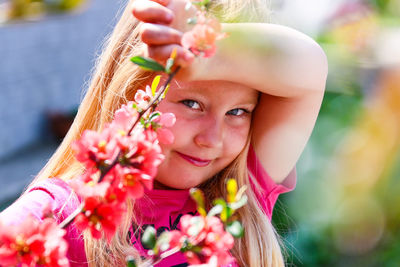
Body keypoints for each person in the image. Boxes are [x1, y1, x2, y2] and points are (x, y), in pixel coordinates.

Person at [0, 0, 328, 266]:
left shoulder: (239, 196)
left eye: (238, 112)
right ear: (130, 92)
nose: (211, 139)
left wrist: (207, 53)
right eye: (191, 103)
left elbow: (311, 69)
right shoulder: (60, 213)